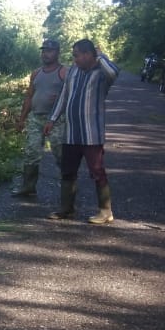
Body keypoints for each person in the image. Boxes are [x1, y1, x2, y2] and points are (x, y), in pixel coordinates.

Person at [44, 40, 120, 224]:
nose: (74, 59)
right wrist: (52, 119)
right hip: (71, 132)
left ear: (87, 54)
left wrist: (99, 55)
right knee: (68, 170)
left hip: (91, 133)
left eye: (77, 55)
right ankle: (66, 209)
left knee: (97, 170)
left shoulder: (102, 74)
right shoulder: (73, 71)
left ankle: (106, 211)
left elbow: (114, 72)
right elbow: (64, 96)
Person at [12, 39, 68, 196]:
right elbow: (29, 96)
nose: (46, 54)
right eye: (44, 51)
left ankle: (67, 190)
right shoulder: (36, 73)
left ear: (57, 52)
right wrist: (22, 119)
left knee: (61, 154)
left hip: (57, 120)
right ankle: (28, 186)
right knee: (31, 152)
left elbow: (70, 95)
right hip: (35, 119)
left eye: (49, 51)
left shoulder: (64, 72)